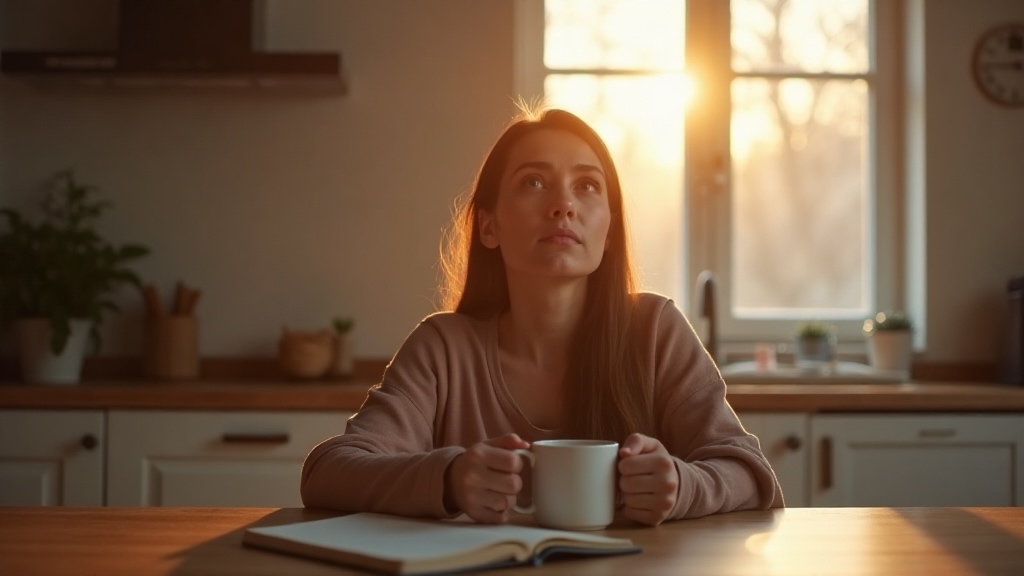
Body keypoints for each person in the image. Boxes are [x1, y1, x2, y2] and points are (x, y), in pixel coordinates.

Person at [301, 107, 784, 526]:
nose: (564, 206)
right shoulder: (442, 348)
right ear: (488, 225)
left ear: (609, 230)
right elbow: (329, 471)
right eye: (534, 182)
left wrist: (681, 486)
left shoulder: (655, 330)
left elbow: (750, 472)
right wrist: (449, 478)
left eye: (587, 186)